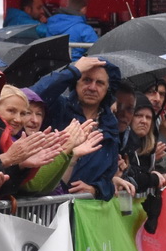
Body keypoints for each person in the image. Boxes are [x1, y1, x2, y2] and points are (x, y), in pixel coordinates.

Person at [33, 55, 125, 199]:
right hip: (50, 206)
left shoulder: (110, 125)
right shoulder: (58, 108)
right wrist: (72, 71)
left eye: (99, 83)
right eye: (86, 80)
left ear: (108, 88)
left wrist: (96, 190)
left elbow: (109, 177)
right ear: (75, 82)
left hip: (86, 214)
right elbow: (32, 97)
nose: (92, 87)